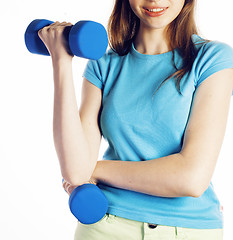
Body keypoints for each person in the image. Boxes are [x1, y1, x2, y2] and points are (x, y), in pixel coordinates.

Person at [38, 0, 233, 239]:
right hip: (104, 225)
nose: (155, 1)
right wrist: (61, 61)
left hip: (187, 229)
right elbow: (76, 171)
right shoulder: (103, 64)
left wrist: (97, 169)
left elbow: (192, 178)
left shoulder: (213, 59)